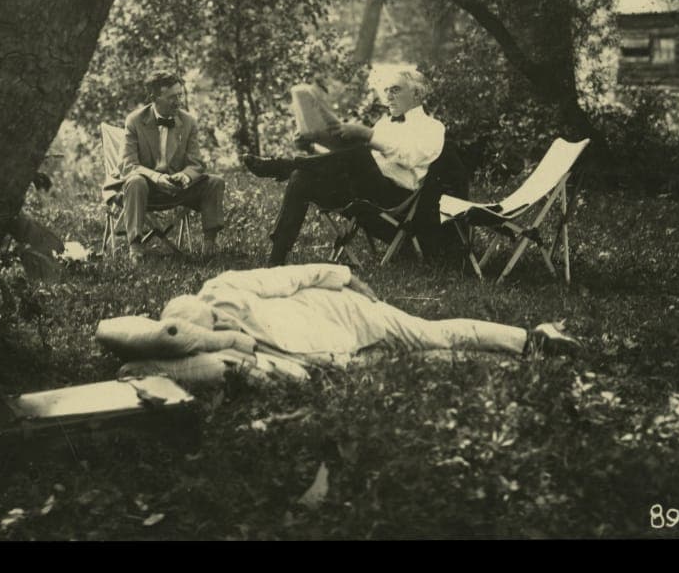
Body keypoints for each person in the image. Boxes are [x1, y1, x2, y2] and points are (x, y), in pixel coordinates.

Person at [97, 263, 582, 385]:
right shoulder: (227, 349)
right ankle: (518, 365)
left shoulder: (226, 286)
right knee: (430, 361)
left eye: (214, 318)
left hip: (351, 313)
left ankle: (532, 339)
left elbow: (298, 273)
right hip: (338, 355)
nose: (220, 322)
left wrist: (348, 277)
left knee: (431, 334)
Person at [242, 69, 445, 265]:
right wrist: (311, 145)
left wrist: (367, 134)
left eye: (395, 90)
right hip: (361, 190)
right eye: (386, 91)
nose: (388, 96)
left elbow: (409, 157)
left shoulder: (432, 127)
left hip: (394, 198)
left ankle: (283, 165)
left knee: (359, 152)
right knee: (301, 176)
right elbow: (340, 161)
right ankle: (276, 259)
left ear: (416, 93)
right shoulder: (384, 124)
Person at [107, 71, 225, 264]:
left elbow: (196, 163)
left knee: (215, 182)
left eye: (180, 95)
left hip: (178, 189)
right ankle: (136, 248)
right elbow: (128, 164)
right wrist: (156, 177)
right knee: (135, 181)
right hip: (146, 188)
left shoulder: (188, 122)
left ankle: (210, 245)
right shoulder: (135, 121)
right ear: (154, 98)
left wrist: (185, 176)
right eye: (172, 97)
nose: (178, 102)